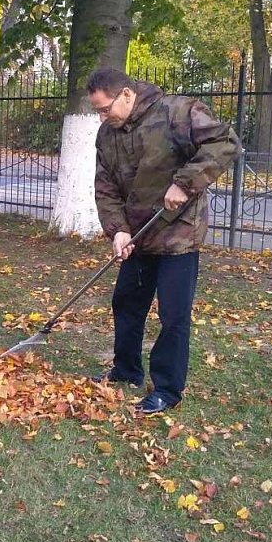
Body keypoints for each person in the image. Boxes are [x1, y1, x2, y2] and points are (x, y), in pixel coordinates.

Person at [86, 67, 241, 415]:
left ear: (127, 94)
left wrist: (185, 183)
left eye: (105, 108)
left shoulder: (177, 112)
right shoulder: (107, 134)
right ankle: (126, 370)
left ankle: (167, 389)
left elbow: (225, 142)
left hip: (178, 234)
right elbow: (105, 187)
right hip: (138, 234)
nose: (102, 117)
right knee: (126, 302)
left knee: (173, 315)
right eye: (97, 111)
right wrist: (118, 229)